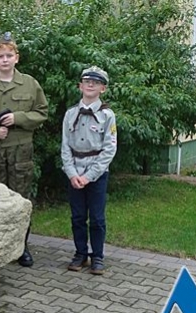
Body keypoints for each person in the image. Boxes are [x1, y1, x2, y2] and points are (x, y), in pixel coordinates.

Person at [0, 32, 49, 268]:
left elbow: (42, 114)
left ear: (17, 58)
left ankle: (21, 247)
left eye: (9, 55)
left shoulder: (30, 84)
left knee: (20, 200)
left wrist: (17, 117)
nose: (5, 60)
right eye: (0, 56)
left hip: (20, 151)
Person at [61, 66, 118, 275]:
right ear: (80, 86)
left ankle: (98, 256)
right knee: (77, 216)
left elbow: (109, 148)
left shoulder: (107, 116)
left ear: (103, 88)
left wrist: (89, 176)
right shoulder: (70, 114)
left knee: (96, 217)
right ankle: (80, 253)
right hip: (74, 171)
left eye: (95, 82)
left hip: (97, 173)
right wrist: (72, 174)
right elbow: (65, 146)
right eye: (87, 81)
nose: (90, 85)